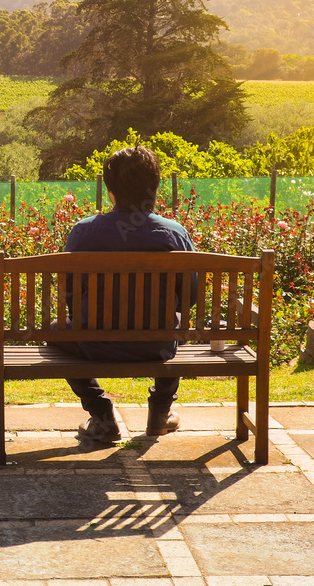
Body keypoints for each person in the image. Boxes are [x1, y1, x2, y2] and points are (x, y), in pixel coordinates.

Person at [54, 145, 197, 442]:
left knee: (56, 330)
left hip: (94, 345)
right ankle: (160, 411)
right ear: (154, 189)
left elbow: (68, 294)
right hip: (158, 345)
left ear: (110, 192)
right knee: (178, 320)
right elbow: (189, 295)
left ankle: (102, 414)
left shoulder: (83, 233)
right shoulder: (174, 234)